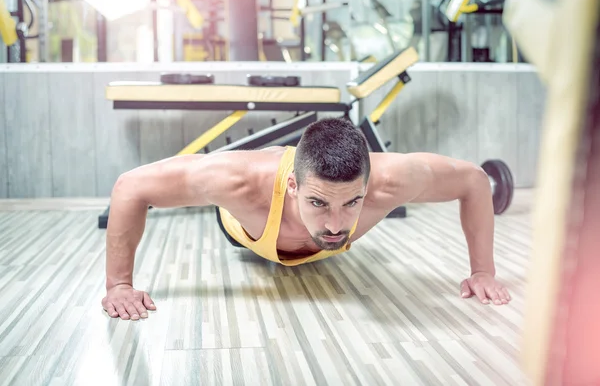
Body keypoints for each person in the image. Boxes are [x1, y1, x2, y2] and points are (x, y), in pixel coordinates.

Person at [101, 117, 512, 320]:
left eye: (352, 202)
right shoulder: (235, 181)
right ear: (295, 186)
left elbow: (474, 181)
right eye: (319, 203)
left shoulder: (395, 179)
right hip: (248, 229)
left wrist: (483, 271)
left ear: (369, 187)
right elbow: (129, 187)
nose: (336, 224)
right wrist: (119, 285)